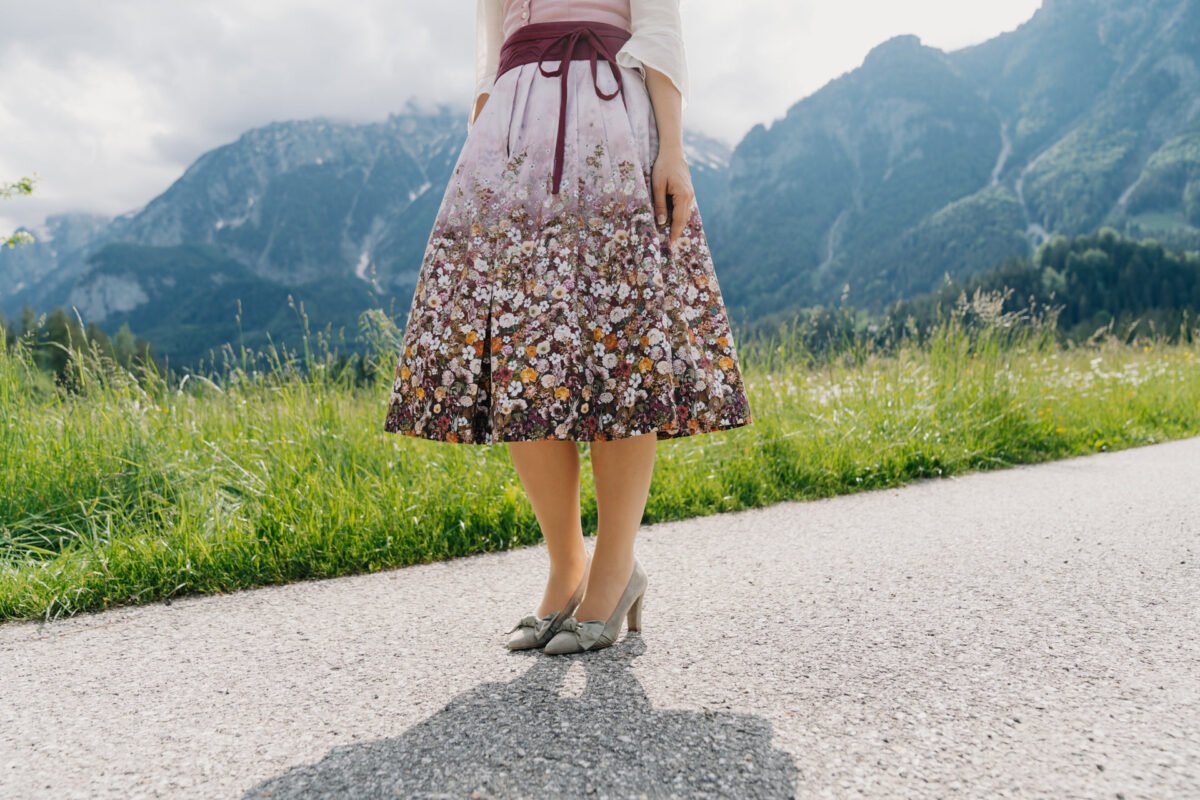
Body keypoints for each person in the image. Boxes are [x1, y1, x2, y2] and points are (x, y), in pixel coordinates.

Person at [382, 0, 752, 655]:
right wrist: (484, 128)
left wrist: (674, 148)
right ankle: (566, 564)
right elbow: (490, 37)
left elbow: (659, 24)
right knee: (521, 357)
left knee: (621, 351)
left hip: (608, 110)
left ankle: (615, 566)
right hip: (513, 122)